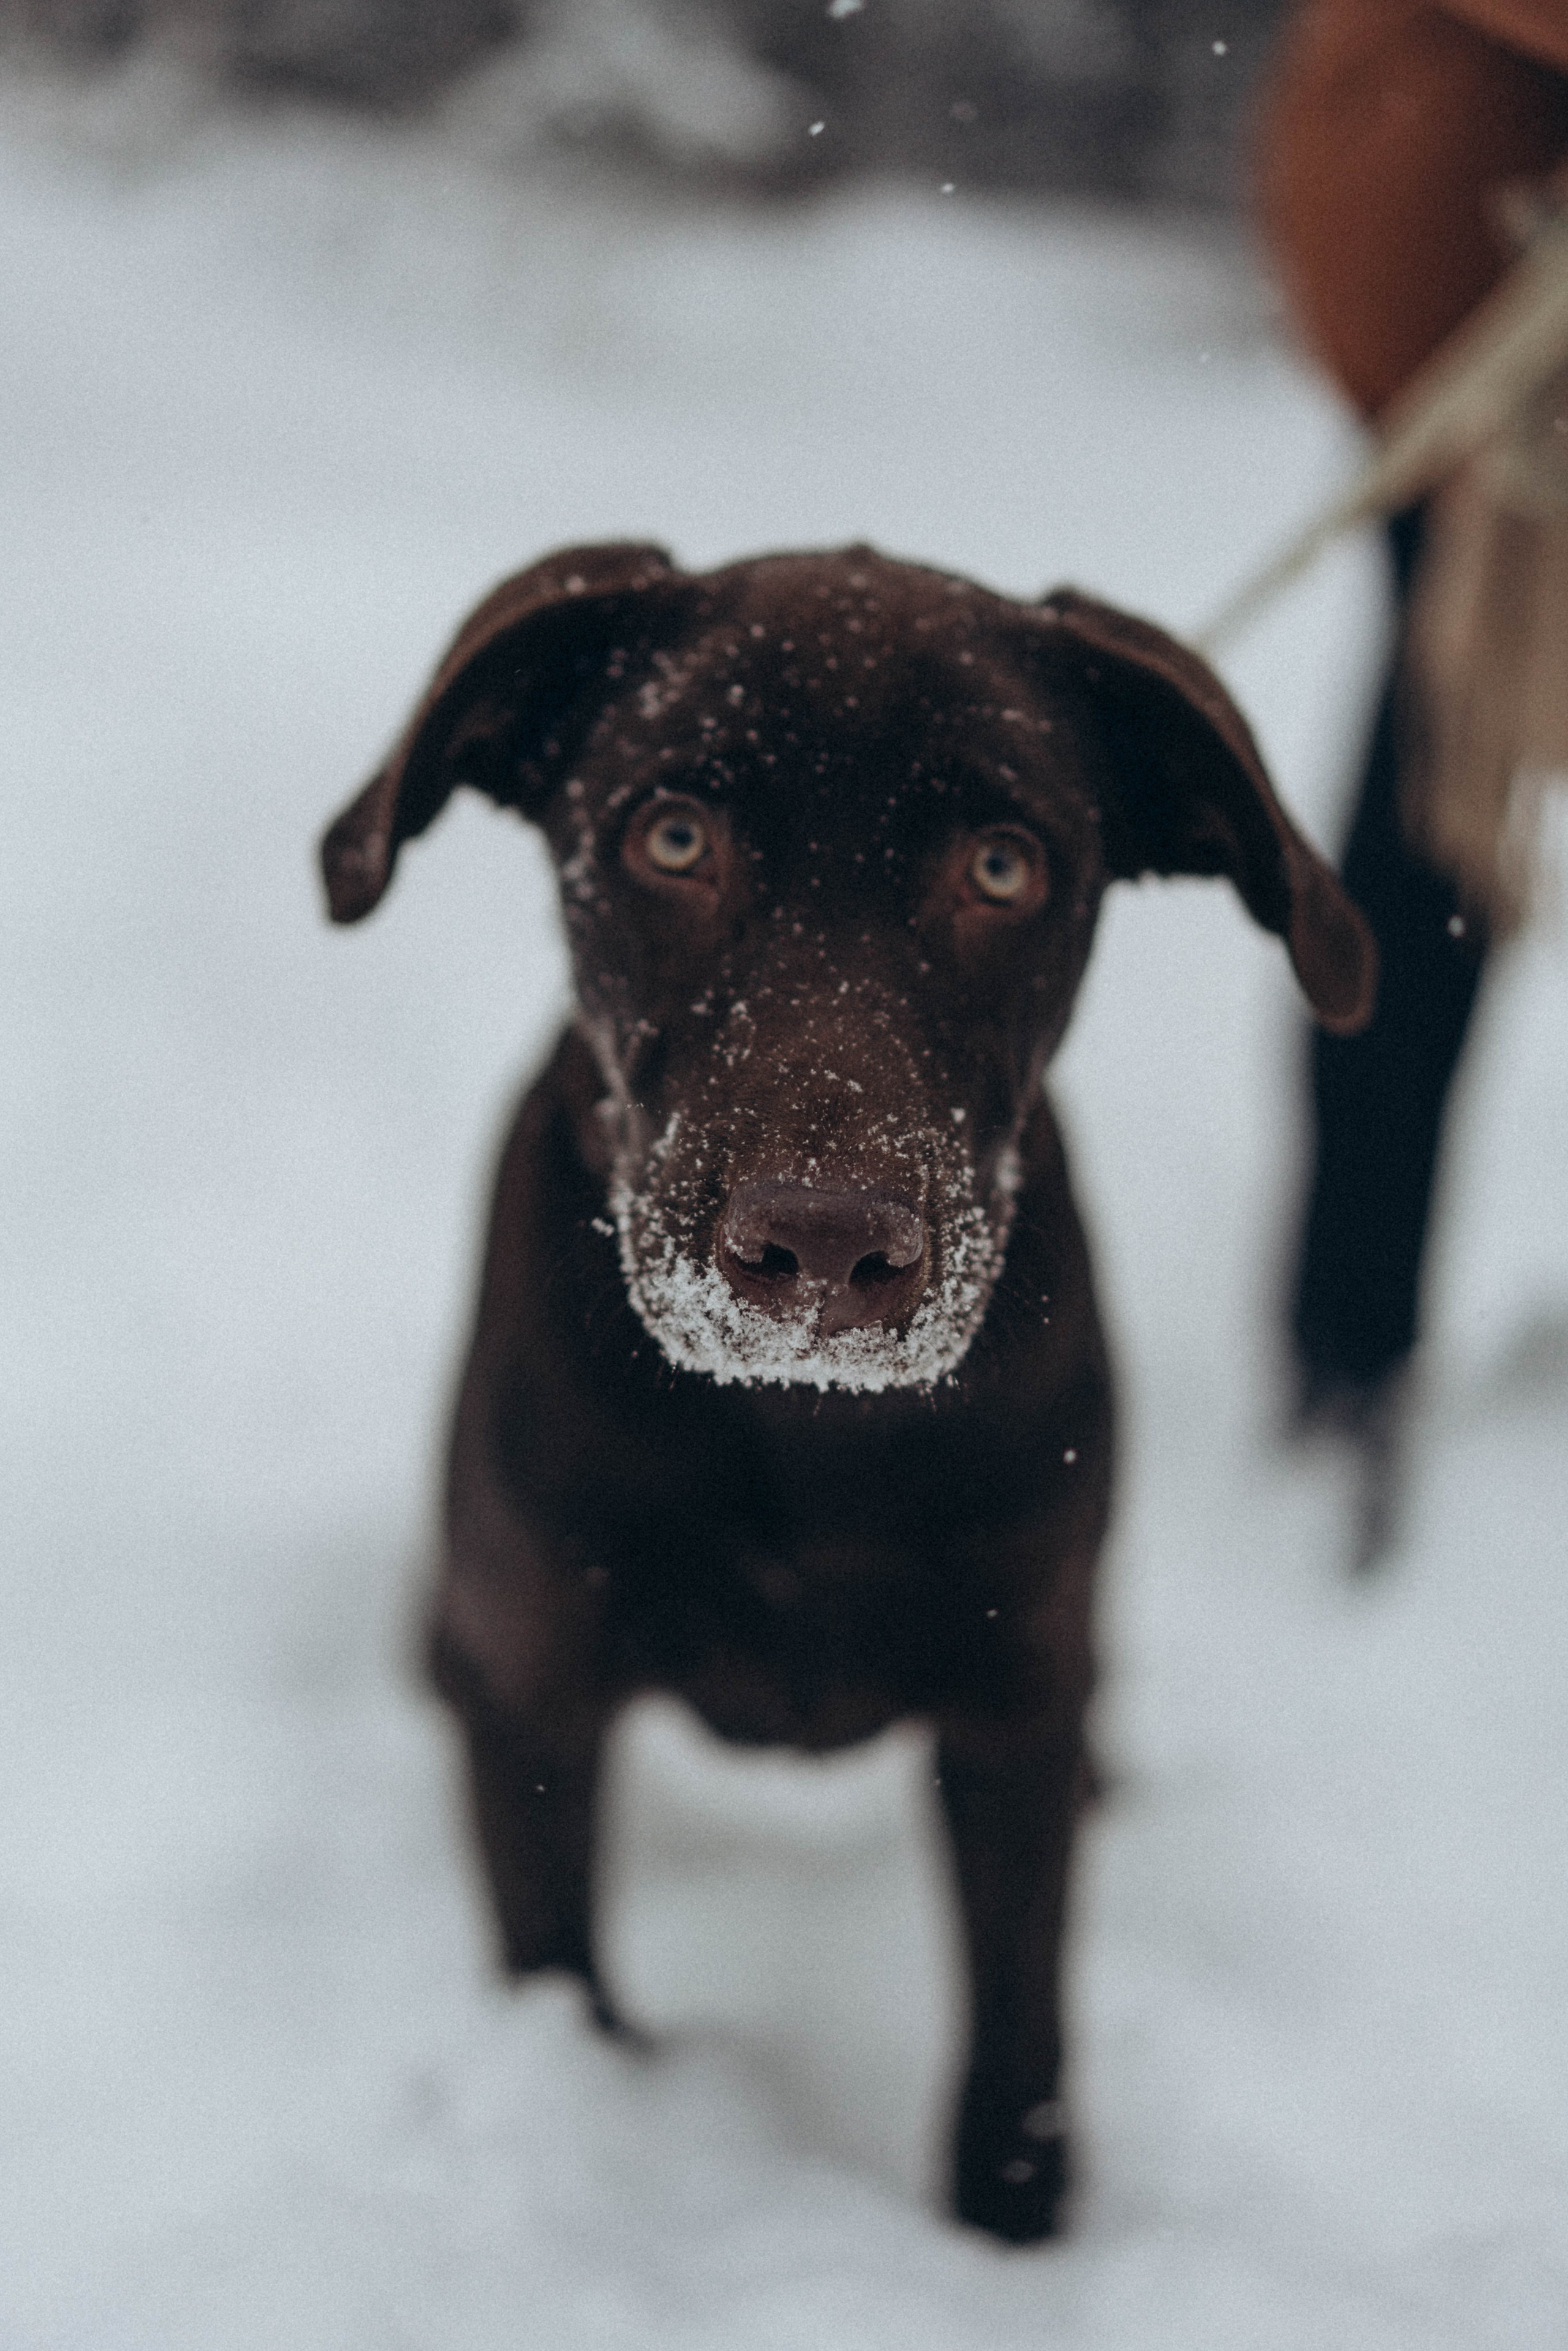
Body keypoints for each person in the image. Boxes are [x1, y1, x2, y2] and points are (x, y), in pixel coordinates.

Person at [1255, 0, 1568, 1561]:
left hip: (1474, 352)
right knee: (1426, 854)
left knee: (1420, 859)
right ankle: (1346, 1342)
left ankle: (1345, 1339)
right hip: (1487, 398)